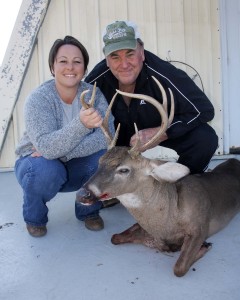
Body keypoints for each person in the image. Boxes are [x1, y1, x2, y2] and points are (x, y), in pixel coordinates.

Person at [85, 21, 219, 174]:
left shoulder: (163, 73)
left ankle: (181, 187)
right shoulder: (96, 80)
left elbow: (204, 109)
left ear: (141, 52)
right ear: (106, 59)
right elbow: (80, 118)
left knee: (205, 139)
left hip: (159, 127)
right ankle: (108, 193)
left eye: (130, 54)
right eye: (115, 57)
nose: (124, 64)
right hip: (117, 138)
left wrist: (161, 133)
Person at [15, 36, 115, 237]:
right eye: (63, 61)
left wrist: (58, 152)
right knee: (44, 169)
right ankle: (35, 218)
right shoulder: (39, 99)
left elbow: (108, 136)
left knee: (101, 159)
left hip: (71, 162)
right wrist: (81, 125)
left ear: (85, 68)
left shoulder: (94, 94)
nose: (70, 67)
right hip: (36, 164)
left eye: (77, 61)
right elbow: (47, 148)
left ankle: (88, 211)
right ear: (52, 67)